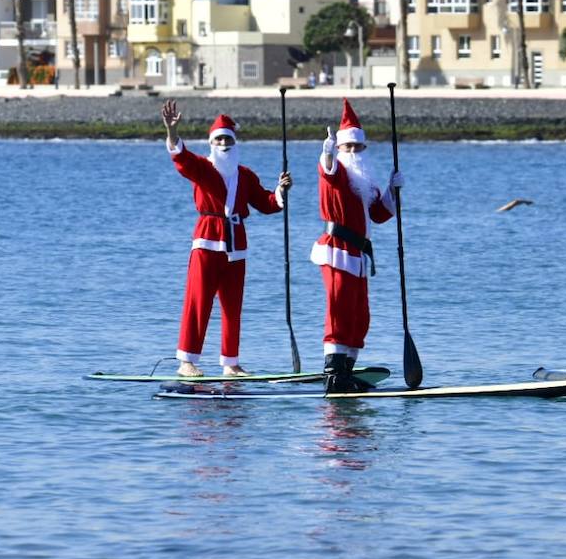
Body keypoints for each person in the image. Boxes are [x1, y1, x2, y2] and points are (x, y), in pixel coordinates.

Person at [161, 100, 292, 378]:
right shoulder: (202, 168)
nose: (223, 143)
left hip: (236, 245)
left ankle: (230, 363)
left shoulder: (245, 176)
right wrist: (172, 131)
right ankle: (187, 361)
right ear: (211, 142)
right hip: (207, 241)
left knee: (233, 307)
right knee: (198, 302)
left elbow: (266, 203)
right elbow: (180, 158)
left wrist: (280, 191)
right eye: (218, 139)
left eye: (227, 139)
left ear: (234, 142)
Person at [310, 98, 403, 392]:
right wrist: (327, 154)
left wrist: (392, 190)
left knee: (359, 315)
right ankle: (334, 372)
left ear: (364, 148)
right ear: (339, 149)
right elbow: (329, 174)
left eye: (357, 147)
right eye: (347, 147)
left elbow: (379, 214)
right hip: (336, 250)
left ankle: (346, 370)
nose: (353, 151)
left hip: (359, 255)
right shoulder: (338, 174)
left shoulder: (366, 182)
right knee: (338, 310)